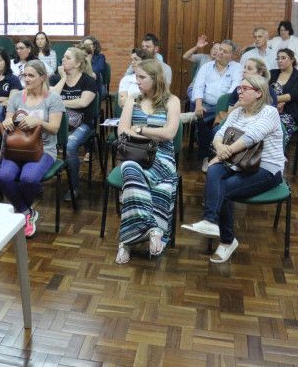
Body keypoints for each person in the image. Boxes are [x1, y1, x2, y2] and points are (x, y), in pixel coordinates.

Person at [181, 75, 285, 263]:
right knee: (213, 171)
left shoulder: (270, 112)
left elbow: (251, 137)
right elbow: (219, 133)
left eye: (245, 88)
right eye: (239, 88)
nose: (240, 91)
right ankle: (210, 221)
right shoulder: (237, 112)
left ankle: (227, 241)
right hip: (237, 162)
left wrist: (219, 156)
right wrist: (219, 148)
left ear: (259, 93)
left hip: (267, 169)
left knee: (225, 189)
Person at [115, 59, 180, 264]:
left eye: (142, 77)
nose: (137, 81)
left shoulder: (172, 101)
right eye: (136, 77)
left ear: (156, 78)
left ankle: (125, 243)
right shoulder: (133, 100)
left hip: (163, 157)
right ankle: (154, 229)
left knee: (131, 183)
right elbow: (122, 130)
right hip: (136, 154)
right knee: (129, 167)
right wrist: (152, 135)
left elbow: (169, 134)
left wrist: (141, 130)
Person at [0, 60, 65, 237]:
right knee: (3, 175)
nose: (26, 79)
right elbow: (9, 119)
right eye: (24, 75)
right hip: (16, 148)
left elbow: (55, 128)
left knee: (29, 178)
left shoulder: (53, 98)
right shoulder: (17, 97)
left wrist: (39, 122)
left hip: (43, 149)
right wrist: (7, 122)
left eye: (31, 75)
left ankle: (20, 213)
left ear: (42, 77)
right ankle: (27, 213)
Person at [50, 47, 97, 201]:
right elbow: (50, 99)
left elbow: (83, 102)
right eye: (63, 57)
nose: (63, 60)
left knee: (70, 145)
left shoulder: (88, 80)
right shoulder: (56, 79)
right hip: (58, 122)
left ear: (77, 64)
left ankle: (74, 187)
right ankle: (34, 181)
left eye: (67, 58)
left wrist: (60, 103)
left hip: (84, 123)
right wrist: (63, 78)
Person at [191, 39, 243, 172]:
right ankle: (206, 157)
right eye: (220, 49)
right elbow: (198, 86)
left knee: (207, 119)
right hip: (205, 105)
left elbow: (234, 90)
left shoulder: (237, 68)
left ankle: (214, 154)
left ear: (232, 56)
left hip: (226, 107)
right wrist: (198, 104)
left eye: (225, 51)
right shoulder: (206, 66)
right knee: (203, 117)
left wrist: (224, 108)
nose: (220, 53)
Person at [214, 58, 278, 126]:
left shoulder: (269, 91)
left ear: (260, 72)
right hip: (237, 123)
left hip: (259, 124)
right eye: (244, 67)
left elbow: (269, 117)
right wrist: (238, 105)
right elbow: (229, 115)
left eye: (249, 69)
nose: (244, 71)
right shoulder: (238, 89)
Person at [269, 48, 298, 147]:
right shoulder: (272, 73)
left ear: (292, 60)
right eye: (278, 58)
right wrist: (273, 104)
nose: (280, 61)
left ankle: (277, 151)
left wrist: (274, 101)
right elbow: (263, 90)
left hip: (291, 111)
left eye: (283, 58)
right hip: (270, 108)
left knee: (275, 125)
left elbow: (294, 95)